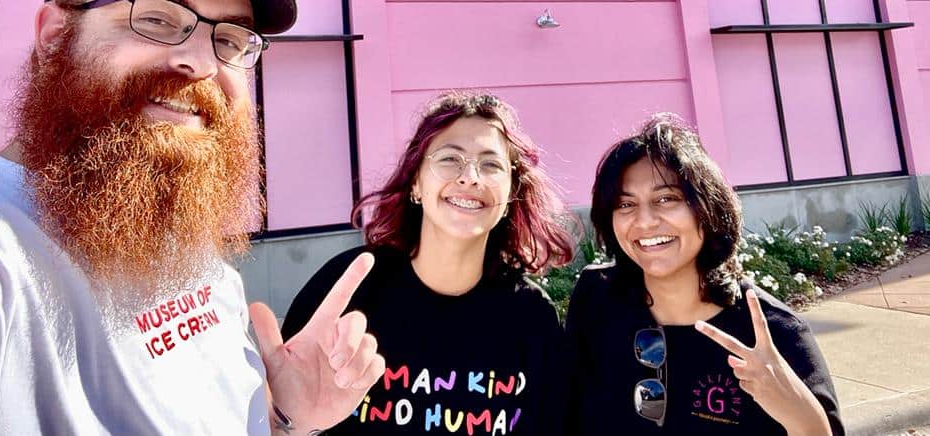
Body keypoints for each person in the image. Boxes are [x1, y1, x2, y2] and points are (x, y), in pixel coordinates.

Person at [0, 0, 385, 435]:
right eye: (156, 17)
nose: (202, 63)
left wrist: (288, 418)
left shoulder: (166, 228)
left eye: (229, 40)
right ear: (53, 36)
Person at [282, 91, 576, 434]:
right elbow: (281, 415)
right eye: (450, 159)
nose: (470, 177)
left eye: (491, 164)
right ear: (416, 183)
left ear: (511, 194)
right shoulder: (348, 289)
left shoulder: (530, 317)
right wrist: (293, 421)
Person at [566, 115, 844, 435]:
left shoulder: (773, 334)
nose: (644, 222)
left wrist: (801, 415)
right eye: (625, 204)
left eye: (666, 199)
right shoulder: (597, 299)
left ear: (708, 208)